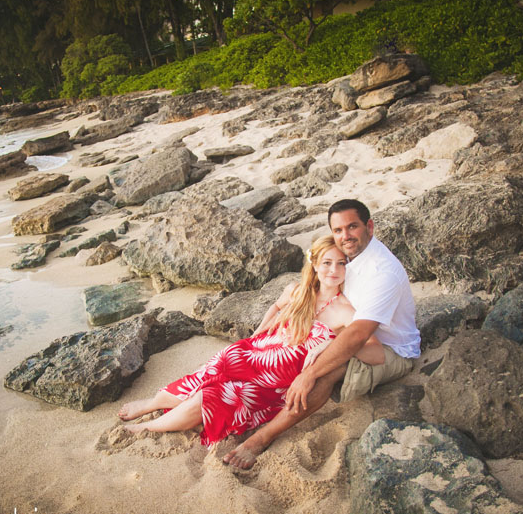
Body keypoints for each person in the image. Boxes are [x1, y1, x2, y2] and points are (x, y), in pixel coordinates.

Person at [222, 199, 421, 469]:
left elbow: (357, 336)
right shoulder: (348, 257)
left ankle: (262, 437)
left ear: (369, 227)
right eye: (338, 230)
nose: (345, 236)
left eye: (353, 227)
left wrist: (310, 374)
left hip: (388, 350)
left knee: (326, 370)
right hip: (350, 331)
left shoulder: (381, 273)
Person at [117, 235, 355, 445]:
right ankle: (155, 403)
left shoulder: (346, 311)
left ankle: (147, 427)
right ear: (314, 264)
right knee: (210, 372)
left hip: (272, 381)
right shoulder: (298, 291)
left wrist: (328, 344)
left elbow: (358, 343)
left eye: (341, 263)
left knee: (209, 397)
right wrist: (258, 332)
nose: (333, 270)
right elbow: (274, 306)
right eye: (327, 262)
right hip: (254, 353)